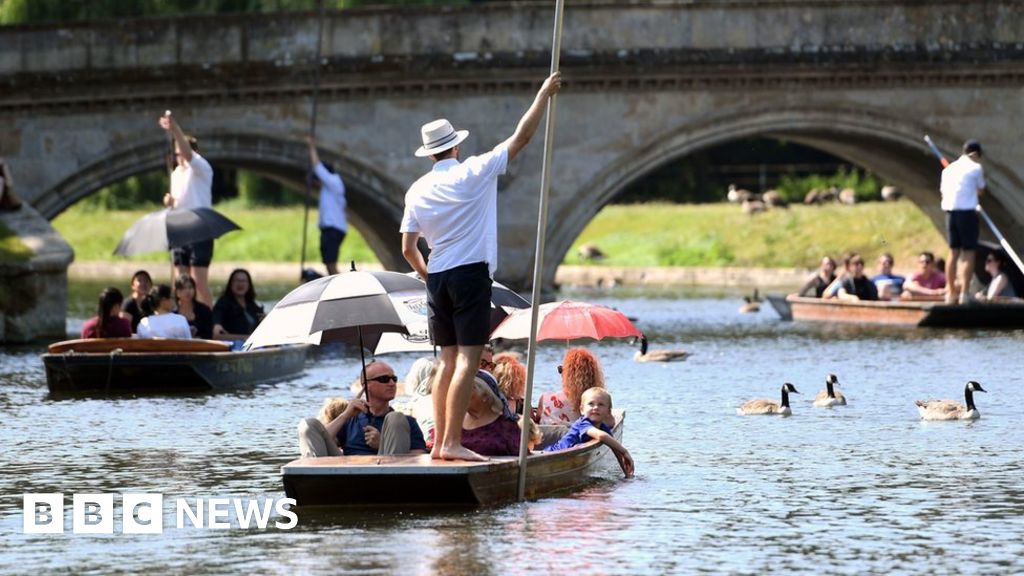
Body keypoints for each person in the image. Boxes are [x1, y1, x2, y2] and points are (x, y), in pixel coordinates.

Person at [399, 72, 563, 462]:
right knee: (468, 363)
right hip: (470, 273)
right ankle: (453, 443)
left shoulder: (416, 190)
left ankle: (439, 443)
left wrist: (427, 276)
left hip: (437, 276)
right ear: (455, 146)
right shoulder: (475, 170)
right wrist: (542, 95)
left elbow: (407, 248)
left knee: (446, 361)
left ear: (430, 154)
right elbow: (521, 138)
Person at [159, 111, 215, 306]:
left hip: (199, 227)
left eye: (181, 153)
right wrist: (170, 201)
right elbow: (180, 200)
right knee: (180, 283)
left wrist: (174, 129)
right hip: (179, 228)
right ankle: (182, 319)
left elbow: (188, 153)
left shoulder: (200, 167)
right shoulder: (176, 174)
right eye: (176, 154)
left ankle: (207, 321)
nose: (179, 157)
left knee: (198, 284)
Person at [328, 361, 427, 456]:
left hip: (388, 469)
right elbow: (321, 439)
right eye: (384, 379)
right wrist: (345, 415)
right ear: (366, 386)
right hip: (349, 470)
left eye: (394, 379)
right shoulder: (350, 421)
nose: (392, 383)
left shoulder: (406, 422)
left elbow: (419, 457)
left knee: (396, 418)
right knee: (312, 425)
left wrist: (382, 444)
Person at [544, 388, 634, 478]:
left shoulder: (603, 427)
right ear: (582, 410)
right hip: (552, 454)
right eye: (591, 404)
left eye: (601, 404)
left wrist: (627, 474)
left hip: (565, 459)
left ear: (608, 412)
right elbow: (601, 436)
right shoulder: (583, 423)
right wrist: (625, 451)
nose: (595, 407)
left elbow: (615, 450)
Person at [941, 139, 986, 304]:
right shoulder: (975, 167)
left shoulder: (948, 170)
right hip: (966, 213)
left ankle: (950, 293)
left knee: (953, 252)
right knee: (968, 252)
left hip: (950, 213)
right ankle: (965, 294)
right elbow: (981, 190)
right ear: (976, 154)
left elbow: (943, 192)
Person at [538, 348, 612, 427]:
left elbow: (537, 420)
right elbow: (611, 423)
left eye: (561, 370)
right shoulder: (595, 404)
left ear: (566, 374)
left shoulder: (545, 399)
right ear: (594, 375)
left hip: (547, 437)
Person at [306, 136, 347, 276]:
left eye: (316, 180)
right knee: (328, 263)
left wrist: (311, 147)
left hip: (332, 229)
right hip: (331, 229)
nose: (315, 184)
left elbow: (317, 167)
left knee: (331, 264)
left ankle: (341, 289)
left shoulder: (333, 181)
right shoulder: (329, 189)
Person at [460, 376, 526, 457]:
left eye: (471, 388)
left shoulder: (506, 425)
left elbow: (522, 458)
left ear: (485, 396)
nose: (463, 392)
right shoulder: (455, 422)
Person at [212, 269, 265, 338]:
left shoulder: (252, 304)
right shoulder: (223, 303)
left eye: (243, 281)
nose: (240, 284)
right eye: (237, 280)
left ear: (249, 285)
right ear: (231, 283)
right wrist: (217, 324)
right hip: (233, 344)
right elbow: (216, 328)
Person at [173, 273, 213, 339]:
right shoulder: (173, 314)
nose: (187, 291)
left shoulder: (204, 310)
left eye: (190, 287)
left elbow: (209, 335)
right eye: (183, 288)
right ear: (177, 292)